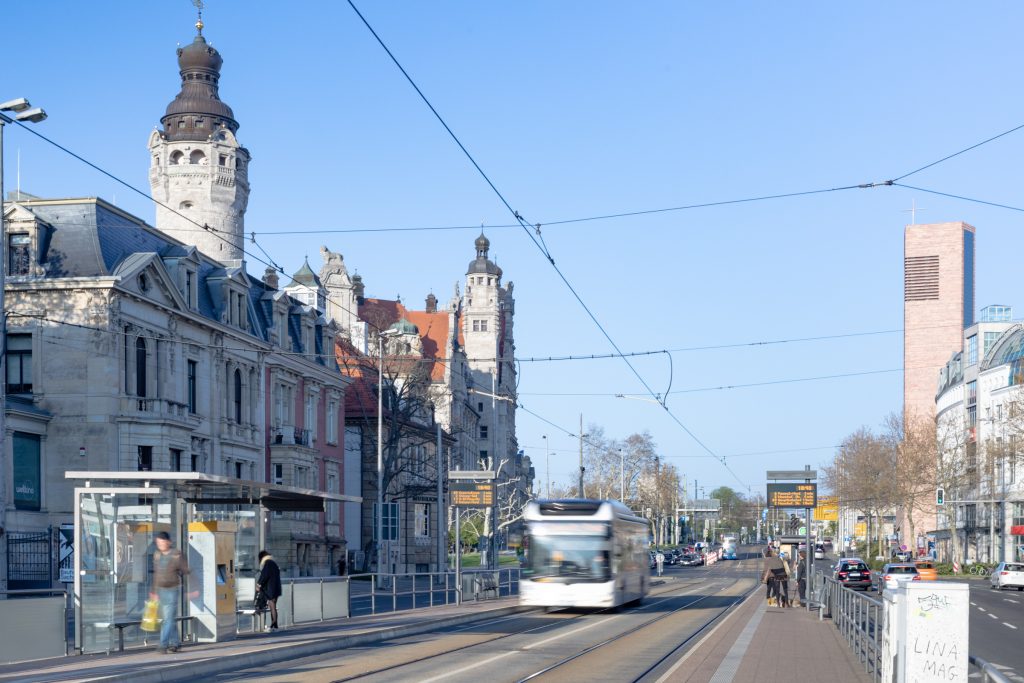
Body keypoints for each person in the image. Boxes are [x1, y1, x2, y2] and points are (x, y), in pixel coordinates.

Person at [149, 531, 193, 654]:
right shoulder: (157, 555)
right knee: (169, 619)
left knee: (167, 619)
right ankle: (175, 643)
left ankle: (163, 645)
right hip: (161, 591)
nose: (160, 544)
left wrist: (191, 589)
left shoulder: (177, 554)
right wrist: (154, 591)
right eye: (158, 542)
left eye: (162, 542)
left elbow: (186, 571)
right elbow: (156, 575)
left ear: (169, 542)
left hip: (172, 590)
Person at [256, 550, 282, 631]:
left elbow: (264, 575)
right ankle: (274, 625)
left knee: (272, 606)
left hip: (271, 589)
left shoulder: (268, 563)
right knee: (272, 606)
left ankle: (274, 624)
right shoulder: (273, 563)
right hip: (276, 588)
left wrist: (259, 583)